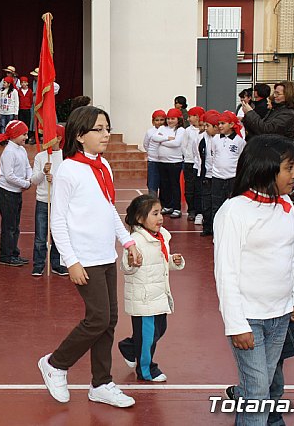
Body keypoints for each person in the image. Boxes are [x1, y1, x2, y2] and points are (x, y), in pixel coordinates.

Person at [38, 106, 141, 408]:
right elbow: (57, 220)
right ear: (80, 135)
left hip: (105, 254)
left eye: (107, 128)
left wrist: (127, 241)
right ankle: (56, 363)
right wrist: (70, 260)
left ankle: (101, 383)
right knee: (97, 318)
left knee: (109, 320)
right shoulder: (68, 169)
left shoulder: (103, 166)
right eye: (99, 129)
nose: (106, 134)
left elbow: (109, 208)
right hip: (83, 257)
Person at [214, 134, 294, 426]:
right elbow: (225, 271)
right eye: (289, 168)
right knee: (257, 391)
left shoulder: (286, 205)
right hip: (249, 318)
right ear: (267, 168)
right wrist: (236, 324)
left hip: (280, 315)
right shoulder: (234, 212)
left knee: (265, 386)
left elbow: (292, 256)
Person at [118, 194, 184, 382]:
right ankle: (146, 370)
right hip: (144, 298)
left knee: (159, 330)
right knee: (147, 338)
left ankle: (130, 347)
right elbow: (126, 266)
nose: (160, 217)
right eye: (155, 214)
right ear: (140, 219)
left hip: (159, 295)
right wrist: (131, 262)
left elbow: (160, 262)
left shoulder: (161, 236)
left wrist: (173, 261)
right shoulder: (135, 241)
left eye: (160, 212)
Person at [30, 124, 68, 276]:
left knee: (58, 234)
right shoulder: (41, 157)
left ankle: (57, 264)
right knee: (40, 235)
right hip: (43, 201)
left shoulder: (66, 158)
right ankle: (39, 264)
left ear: (59, 138)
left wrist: (56, 179)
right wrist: (43, 173)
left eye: (51, 137)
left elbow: (69, 181)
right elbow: (34, 180)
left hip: (59, 202)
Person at [0, 120, 32, 267]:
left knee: (15, 225)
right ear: (15, 135)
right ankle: (6, 255)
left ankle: (13, 252)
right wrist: (25, 183)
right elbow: (8, 176)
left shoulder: (21, 150)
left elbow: (28, 166)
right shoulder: (9, 152)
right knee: (9, 225)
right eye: (23, 134)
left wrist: (29, 178)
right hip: (6, 192)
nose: (26, 137)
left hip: (15, 191)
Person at [212, 111, 246, 218]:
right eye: (219, 123)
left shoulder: (239, 141)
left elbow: (241, 159)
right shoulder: (216, 139)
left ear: (231, 125)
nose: (220, 126)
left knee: (232, 204)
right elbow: (213, 155)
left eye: (223, 123)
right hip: (217, 177)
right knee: (216, 204)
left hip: (232, 178)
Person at [152, 108, 185, 218]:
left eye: (173, 119)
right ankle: (167, 205)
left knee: (174, 185)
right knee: (165, 185)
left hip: (175, 162)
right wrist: (167, 138)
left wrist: (162, 142)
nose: (170, 121)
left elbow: (176, 143)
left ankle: (176, 208)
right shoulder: (162, 128)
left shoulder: (180, 130)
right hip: (162, 161)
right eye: (169, 118)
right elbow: (155, 137)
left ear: (178, 119)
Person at [198, 110, 220, 236]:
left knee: (216, 203)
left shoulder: (220, 139)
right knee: (206, 203)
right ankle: (207, 226)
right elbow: (199, 155)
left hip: (217, 176)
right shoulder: (202, 139)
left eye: (208, 126)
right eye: (205, 126)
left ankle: (216, 227)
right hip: (206, 175)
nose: (206, 129)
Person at [182, 106, 204, 221]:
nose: (189, 119)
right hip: (190, 163)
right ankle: (191, 210)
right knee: (189, 188)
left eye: (191, 116)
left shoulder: (203, 131)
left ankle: (200, 210)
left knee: (199, 187)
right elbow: (184, 146)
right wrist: (188, 157)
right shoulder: (188, 131)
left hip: (200, 163)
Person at [144, 110, 165, 196]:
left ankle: (164, 204)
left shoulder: (168, 131)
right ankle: (152, 202)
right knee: (152, 183)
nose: (159, 122)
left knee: (164, 184)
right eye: (157, 120)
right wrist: (152, 154)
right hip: (153, 161)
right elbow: (146, 144)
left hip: (165, 161)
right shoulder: (150, 132)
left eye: (162, 120)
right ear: (153, 122)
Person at [17, 77, 33, 142]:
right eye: (22, 82)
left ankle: (26, 137)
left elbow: (31, 100)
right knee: (21, 124)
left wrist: (28, 105)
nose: (23, 84)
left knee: (27, 123)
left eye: (25, 82)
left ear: (27, 83)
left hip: (27, 109)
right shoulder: (19, 91)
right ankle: (21, 137)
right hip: (21, 109)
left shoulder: (30, 91)